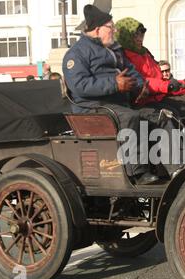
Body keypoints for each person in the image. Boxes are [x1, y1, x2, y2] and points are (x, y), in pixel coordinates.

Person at [63, 4, 158, 185]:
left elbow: (130, 71)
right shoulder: (76, 54)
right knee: (130, 117)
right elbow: (80, 86)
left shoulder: (114, 49)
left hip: (117, 103)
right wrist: (114, 84)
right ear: (98, 29)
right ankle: (136, 173)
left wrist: (140, 86)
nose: (114, 30)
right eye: (111, 27)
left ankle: (171, 168)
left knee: (157, 115)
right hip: (91, 108)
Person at [115, 17, 185, 176]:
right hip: (137, 103)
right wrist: (168, 86)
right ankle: (175, 169)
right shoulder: (124, 56)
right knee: (164, 118)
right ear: (127, 37)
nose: (140, 39)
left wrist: (182, 85)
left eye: (141, 35)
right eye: (136, 36)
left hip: (154, 99)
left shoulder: (145, 53)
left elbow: (160, 79)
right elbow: (142, 81)